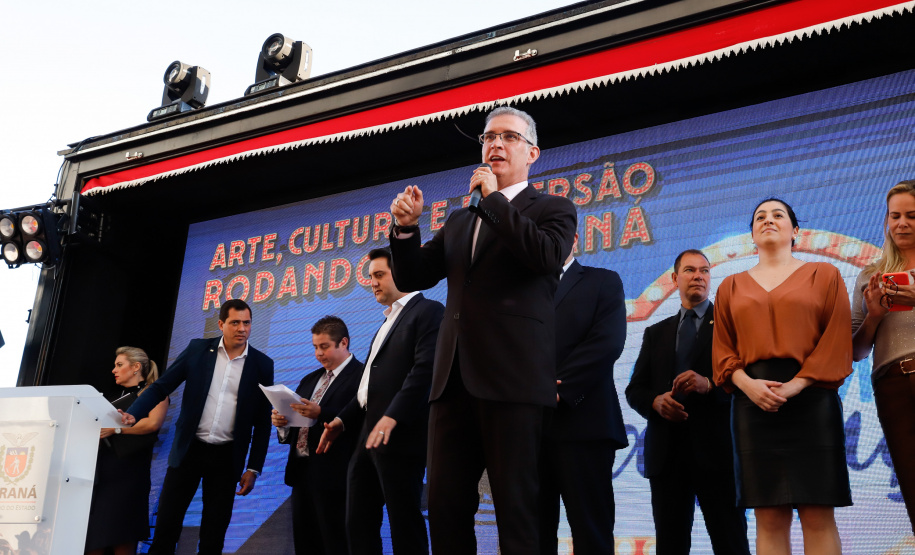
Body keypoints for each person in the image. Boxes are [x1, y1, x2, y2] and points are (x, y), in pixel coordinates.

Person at [389, 106, 577, 554]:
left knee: (517, 509)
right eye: (488, 137)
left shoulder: (554, 208)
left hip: (512, 381)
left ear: (532, 153)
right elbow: (416, 276)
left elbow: (545, 256)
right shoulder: (460, 219)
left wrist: (492, 201)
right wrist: (406, 228)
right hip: (452, 381)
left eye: (508, 137)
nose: (495, 144)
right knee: (445, 504)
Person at [713, 198, 852, 555]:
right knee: (768, 517)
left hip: (812, 398)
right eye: (760, 216)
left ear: (796, 232)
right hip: (752, 403)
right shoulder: (729, 286)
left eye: (778, 215)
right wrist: (747, 385)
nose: (768, 220)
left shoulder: (825, 274)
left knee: (818, 513)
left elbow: (836, 340)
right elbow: (723, 352)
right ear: (752, 236)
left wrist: (796, 385)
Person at [122, 298, 274, 555]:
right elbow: (162, 386)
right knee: (166, 529)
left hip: (227, 458)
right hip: (189, 451)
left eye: (247, 323)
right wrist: (132, 414)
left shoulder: (262, 364)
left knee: (213, 537)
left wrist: (254, 467)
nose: (242, 329)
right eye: (235, 323)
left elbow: (262, 422)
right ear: (221, 324)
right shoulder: (198, 350)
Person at [317, 249, 443, 554]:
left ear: (401, 271)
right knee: (357, 524)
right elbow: (367, 389)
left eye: (378, 275)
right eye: (370, 276)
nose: (372, 283)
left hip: (400, 434)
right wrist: (342, 419)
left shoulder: (429, 311)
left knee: (404, 522)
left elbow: (425, 371)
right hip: (366, 436)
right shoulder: (385, 322)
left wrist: (393, 415)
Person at [626, 250, 750, 555]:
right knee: (670, 546)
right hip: (666, 457)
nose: (699, 276)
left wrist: (708, 384)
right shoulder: (656, 333)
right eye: (691, 270)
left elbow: (747, 384)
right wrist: (655, 402)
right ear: (674, 279)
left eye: (705, 271)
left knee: (731, 542)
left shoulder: (729, 326)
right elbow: (635, 389)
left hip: (718, 455)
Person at [539, 234, 628, 555]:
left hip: (584, 424)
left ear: (574, 238)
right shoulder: (520, 290)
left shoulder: (603, 280)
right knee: (532, 536)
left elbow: (607, 341)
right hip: (528, 430)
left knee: (591, 533)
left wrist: (558, 389)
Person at [851, 180, 915, 532]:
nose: (901, 223)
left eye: (911, 215)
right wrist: (874, 315)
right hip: (890, 384)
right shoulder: (868, 275)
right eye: (895, 216)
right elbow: (856, 351)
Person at [273, 315, 363, 555]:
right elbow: (297, 425)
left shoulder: (362, 377)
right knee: (305, 543)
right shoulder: (310, 379)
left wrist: (322, 412)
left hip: (338, 476)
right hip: (302, 473)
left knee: (336, 544)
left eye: (324, 347)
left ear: (343, 343)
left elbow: (362, 418)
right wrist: (282, 423)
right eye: (315, 347)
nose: (318, 354)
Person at [85, 347, 169, 555]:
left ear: (136, 367)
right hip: (102, 475)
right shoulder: (113, 399)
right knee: (93, 541)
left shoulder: (153, 393)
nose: (114, 370)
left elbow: (152, 424)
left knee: (122, 539)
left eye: (119, 365)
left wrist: (115, 428)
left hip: (129, 476)